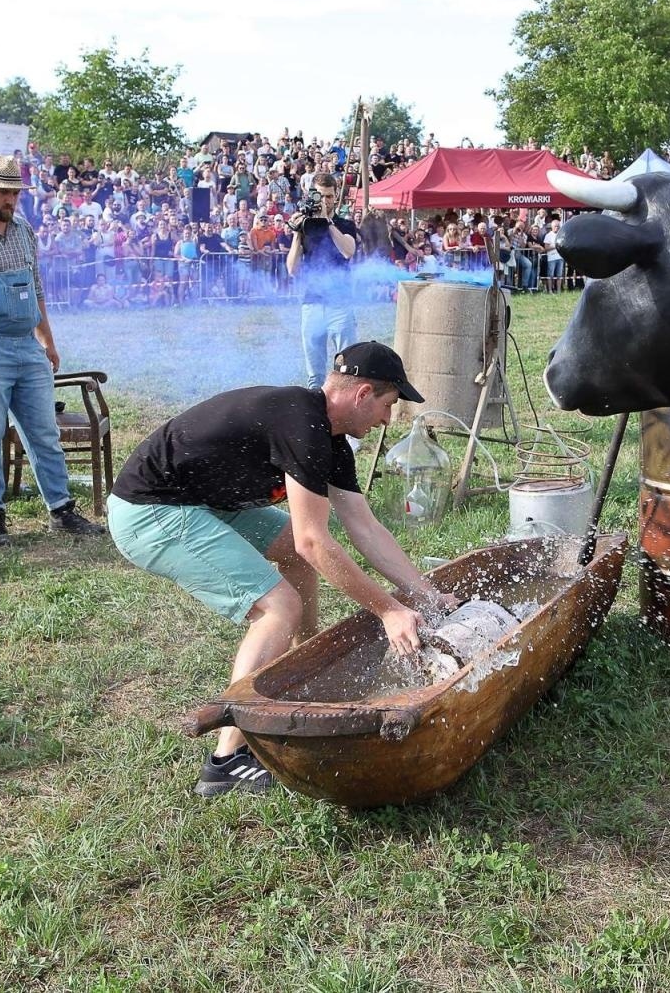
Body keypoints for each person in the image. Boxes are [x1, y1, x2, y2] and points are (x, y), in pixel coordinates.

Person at [107, 341, 458, 797]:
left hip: (204, 503)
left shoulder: (329, 440)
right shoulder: (302, 422)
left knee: (290, 552)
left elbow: (364, 527)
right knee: (278, 607)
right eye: (388, 406)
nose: (387, 420)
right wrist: (389, 610)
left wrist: (423, 593)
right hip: (150, 512)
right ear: (362, 393)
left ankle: (299, 671)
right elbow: (315, 542)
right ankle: (225, 762)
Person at [0, 153, 106, 547]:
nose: (12, 201)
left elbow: (36, 287)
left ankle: (61, 510)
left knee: (43, 431)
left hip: (27, 346)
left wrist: (48, 339)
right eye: (5, 193)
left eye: (16, 193)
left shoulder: (24, 230)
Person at [286, 172, 359, 388]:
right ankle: (315, 417)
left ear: (336, 196)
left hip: (340, 303)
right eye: (320, 196)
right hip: (312, 303)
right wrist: (298, 233)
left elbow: (348, 251)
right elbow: (292, 269)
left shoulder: (344, 224)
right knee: (315, 376)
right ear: (311, 196)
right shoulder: (304, 226)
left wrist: (327, 222)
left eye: (329, 196)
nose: (325, 201)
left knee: (347, 369)